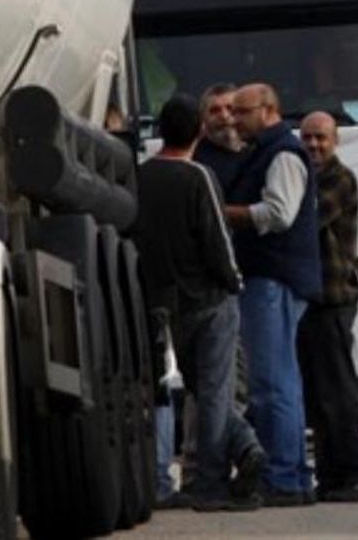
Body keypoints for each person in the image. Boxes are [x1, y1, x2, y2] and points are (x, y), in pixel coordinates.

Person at [133, 95, 264, 511]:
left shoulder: (140, 178)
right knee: (215, 391)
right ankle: (217, 476)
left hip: (164, 302)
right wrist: (234, 281)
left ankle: (242, 452)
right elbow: (216, 237)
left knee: (198, 389)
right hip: (208, 298)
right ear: (199, 132)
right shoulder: (198, 177)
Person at [222, 83, 323, 506]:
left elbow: (278, 214)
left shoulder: (282, 153)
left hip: (273, 278)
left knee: (271, 385)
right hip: (276, 278)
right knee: (283, 383)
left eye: (241, 112)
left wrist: (224, 214)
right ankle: (293, 474)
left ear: (267, 111)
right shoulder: (271, 151)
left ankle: (283, 477)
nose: (233, 120)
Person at [295, 112, 358, 503]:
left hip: (333, 298)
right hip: (313, 300)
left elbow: (305, 222)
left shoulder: (337, 179)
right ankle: (331, 476)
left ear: (335, 141)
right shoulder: (309, 179)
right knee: (319, 395)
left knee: (339, 392)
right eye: (308, 138)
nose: (314, 145)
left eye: (321, 139)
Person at [195, 83, 247, 191]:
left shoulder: (260, 148)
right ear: (203, 118)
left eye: (230, 108)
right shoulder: (197, 162)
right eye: (214, 110)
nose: (224, 116)